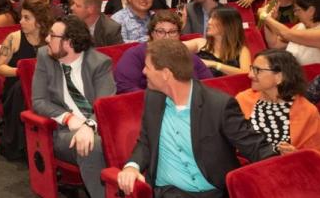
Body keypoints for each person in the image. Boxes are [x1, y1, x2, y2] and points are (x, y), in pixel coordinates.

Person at [117, 39, 276, 197]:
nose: (143, 71)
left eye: (148, 67)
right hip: (167, 192)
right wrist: (132, 166)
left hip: (214, 192)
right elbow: (146, 140)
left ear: (166, 74)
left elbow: (255, 147)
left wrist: (283, 175)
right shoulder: (153, 98)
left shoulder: (218, 105)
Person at [32, 15, 115, 198]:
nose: (46, 38)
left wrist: (89, 125)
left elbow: (105, 105)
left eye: (52, 35)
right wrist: (68, 118)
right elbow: (39, 101)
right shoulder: (45, 56)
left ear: (68, 43)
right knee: (91, 145)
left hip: (98, 126)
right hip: (63, 132)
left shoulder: (99, 63)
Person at [0, 0, 52, 160]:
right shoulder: (14, 38)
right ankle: (19, 146)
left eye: (27, 18)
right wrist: (21, 72)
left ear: (40, 22)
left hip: (44, 88)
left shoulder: (50, 38)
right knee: (22, 87)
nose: (21, 21)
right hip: (16, 90)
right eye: (22, 16)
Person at [236, 49, 320, 154]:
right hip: (244, 167)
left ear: (279, 77)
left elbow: (316, 153)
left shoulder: (306, 111)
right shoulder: (242, 99)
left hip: (285, 168)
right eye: (252, 68)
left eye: (257, 70)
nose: (250, 75)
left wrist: (296, 154)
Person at [115, 11, 213, 94]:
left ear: (179, 35)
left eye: (172, 32)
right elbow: (125, 87)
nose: (167, 37)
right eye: (161, 32)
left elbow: (208, 84)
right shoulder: (135, 55)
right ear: (152, 34)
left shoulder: (187, 56)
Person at [183, 6, 251, 76]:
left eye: (214, 18)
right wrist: (181, 27)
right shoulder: (200, 43)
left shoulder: (241, 50)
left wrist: (215, 64)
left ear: (228, 24)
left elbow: (246, 74)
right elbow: (173, 49)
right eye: (210, 18)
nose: (209, 22)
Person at [261, 0, 320, 65]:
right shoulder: (300, 26)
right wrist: (270, 20)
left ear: (311, 11)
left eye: (297, 10)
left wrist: (265, 16)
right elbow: (275, 44)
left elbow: (287, 34)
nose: (295, 14)